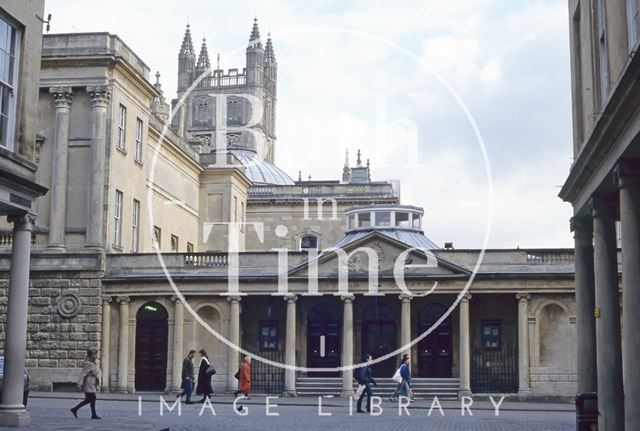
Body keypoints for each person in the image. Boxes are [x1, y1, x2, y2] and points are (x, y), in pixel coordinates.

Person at [70, 348, 101, 419]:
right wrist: (79, 384)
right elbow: (83, 374)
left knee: (90, 399)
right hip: (89, 384)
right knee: (92, 398)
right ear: (91, 355)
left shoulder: (92, 362)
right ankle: (76, 409)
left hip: (91, 384)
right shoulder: (88, 363)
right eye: (95, 354)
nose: (96, 356)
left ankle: (76, 410)